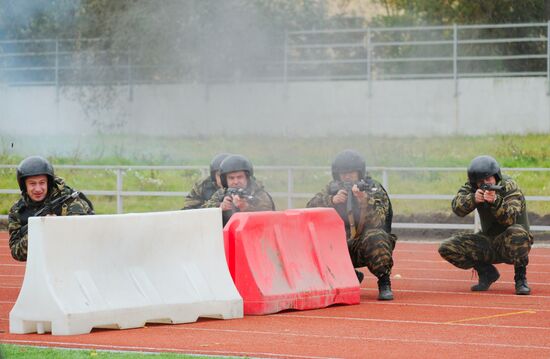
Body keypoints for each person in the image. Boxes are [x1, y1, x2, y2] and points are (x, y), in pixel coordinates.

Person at [306, 149, 397, 300]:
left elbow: (380, 221)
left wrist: (364, 202)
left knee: (376, 236)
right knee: (311, 243)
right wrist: (331, 201)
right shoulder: (332, 189)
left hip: (364, 245)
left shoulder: (372, 189)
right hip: (340, 247)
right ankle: (351, 275)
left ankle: (384, 281)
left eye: (351, 172)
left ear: (359, 173)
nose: (347, 176)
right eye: (343, 173)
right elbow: (309, 210)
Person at [438, 155, 533, 295]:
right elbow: (457, 208)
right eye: (481, 181)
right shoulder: (472, 187)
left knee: (517, 232)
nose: (486, 183)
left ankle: (520, 278)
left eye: (488, 179)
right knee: (447, 247)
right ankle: (486, 272)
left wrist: (496, 201)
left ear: (496, 176)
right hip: (489, 241)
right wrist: (473, 199)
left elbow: (510, 219)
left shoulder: (509, 186)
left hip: (512, 243)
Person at [8, 156, 94, 262]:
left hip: (75, 262)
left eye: (42, 182)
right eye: (32, 184)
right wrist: (39, 229)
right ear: (24, 186)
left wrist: (57, 226)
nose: (38, 189)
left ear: (48, 182)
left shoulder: (69, 200)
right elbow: (17, 253)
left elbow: (86, 238)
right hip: (42, 266)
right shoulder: (17, 211)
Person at [204, 154, 275, 225]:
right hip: (226, 233)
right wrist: (220, 207)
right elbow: (204, 210)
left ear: (247, 178)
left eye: (240, 177)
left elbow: (268, 216)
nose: (236, 182)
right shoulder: (221, 193)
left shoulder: (259, 194)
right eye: (231, 178)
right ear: (225, 180)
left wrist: (245, 207)